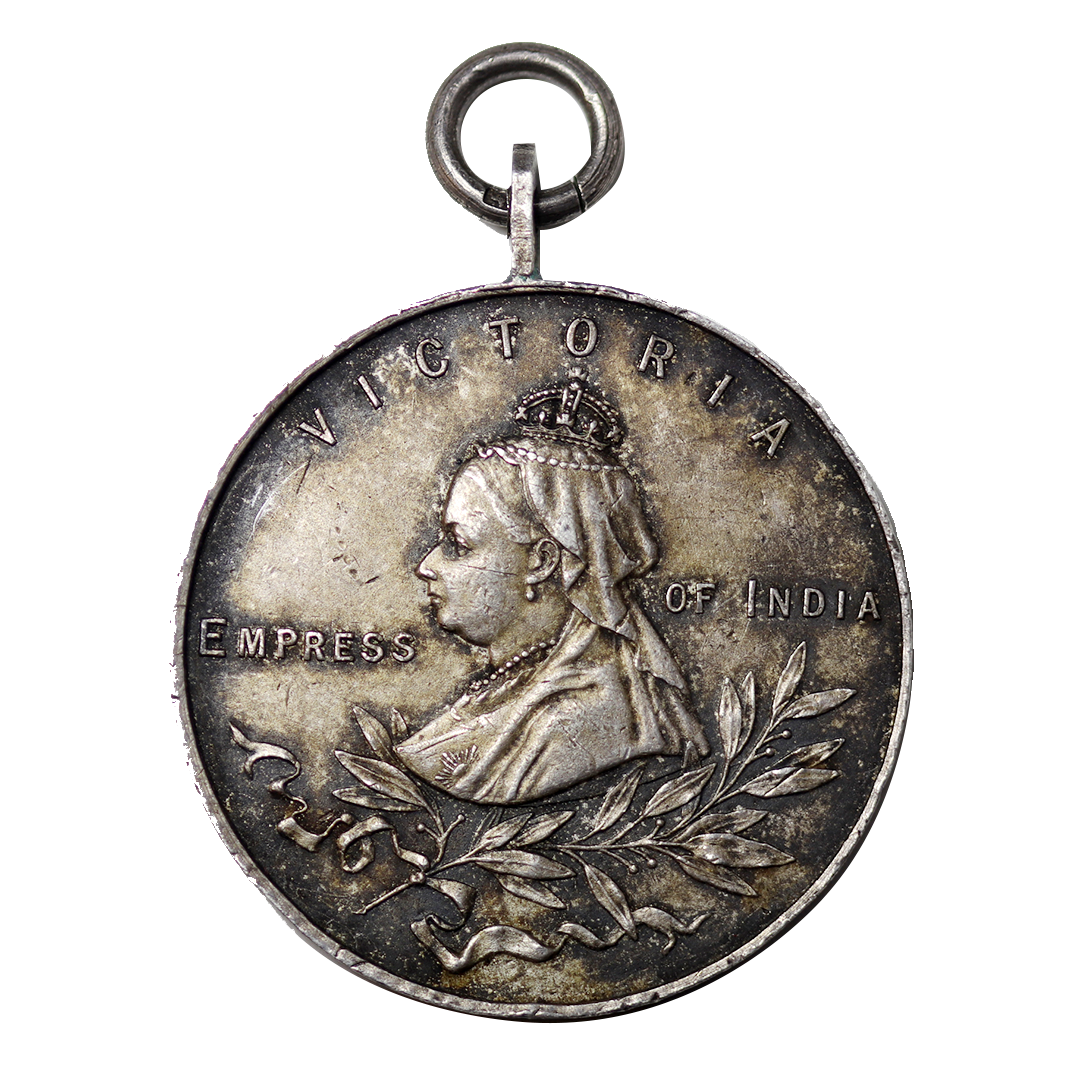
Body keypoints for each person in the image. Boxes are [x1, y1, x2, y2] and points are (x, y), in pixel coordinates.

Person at [395, 387, 709, 805]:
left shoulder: (571, 726)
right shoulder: (516, 686)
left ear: (541, 561)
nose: (426, 565)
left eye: (459, 544)